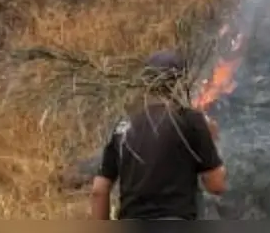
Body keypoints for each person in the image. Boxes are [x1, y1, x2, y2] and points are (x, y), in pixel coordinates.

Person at [90, 49, 227, 220]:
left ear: (145, 84)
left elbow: (99, 190)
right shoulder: (190, 120)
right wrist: (211, 140)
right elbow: (216, 185)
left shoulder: (122, 126)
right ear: (181, 83)